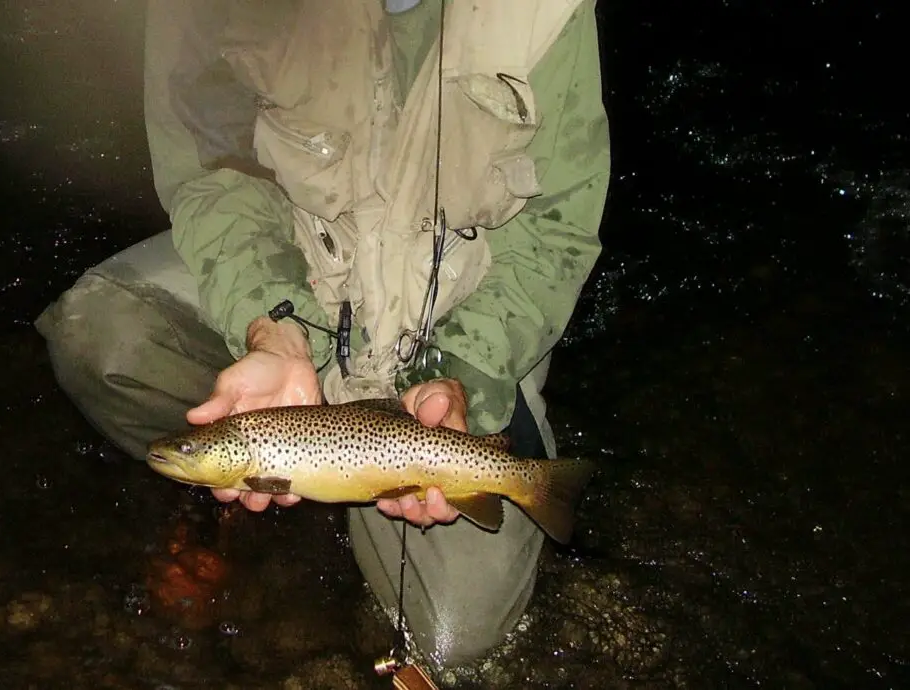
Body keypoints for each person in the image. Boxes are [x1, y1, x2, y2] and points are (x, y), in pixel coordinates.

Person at [36, 0, 609, 669]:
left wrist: (462, 377)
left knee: (456, 644)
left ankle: (515, 477)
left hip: (453, 328)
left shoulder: (545, 11)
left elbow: (556, 235)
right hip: (301, 281)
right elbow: (213, 177)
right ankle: (215, 515)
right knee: (100, 334)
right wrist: (269, 326)